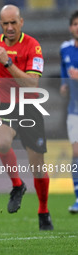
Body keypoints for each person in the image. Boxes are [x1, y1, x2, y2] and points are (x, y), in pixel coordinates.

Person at [0, 5, 53, 230]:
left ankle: (43, 210)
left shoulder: (33, 46)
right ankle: (17, 185)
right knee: (2, 143)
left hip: (30, 106)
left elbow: (32, 84)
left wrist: (8, 63)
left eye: (14, 22)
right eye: (5, 23)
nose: (10, 27)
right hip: (5, 105)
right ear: (0, 24)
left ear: (21, 22)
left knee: (38, 167)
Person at [60, 10, 78, 213]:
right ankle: (77, 197)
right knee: (76, 153)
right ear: (70, 27)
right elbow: (65, 73)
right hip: (74, 109)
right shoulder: (65, 49)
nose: (77, 27)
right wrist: (65, 84)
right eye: (74, 24)